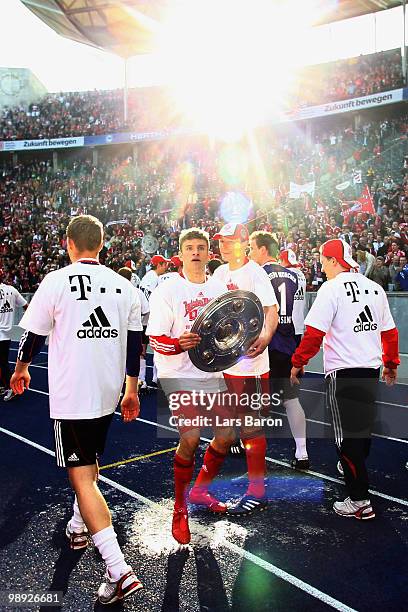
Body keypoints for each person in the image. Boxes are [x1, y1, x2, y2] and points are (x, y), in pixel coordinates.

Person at [10, 215, 144, 604]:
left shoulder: (55, 281)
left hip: (72, 392)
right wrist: (131, 390)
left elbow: (32, 333)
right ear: (101, 244)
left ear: (70, 243)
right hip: (107, 391)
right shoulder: (124, 286)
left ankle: (119, 569)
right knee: (90, 464)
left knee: (81, 477)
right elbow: (136, 344)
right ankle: (78, 524)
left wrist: (20, 369)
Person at [290, 238, 399, 520]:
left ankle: (359, 500)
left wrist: (298, 362)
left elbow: (314, 332)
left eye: (324, 261)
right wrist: (390, 363)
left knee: (345, 436)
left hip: (343, 371)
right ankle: (353, 471)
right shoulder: (374, 288)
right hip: (370, 369)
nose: (322, 266)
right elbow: (389, 332)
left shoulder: (331, 289)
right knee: (361, 428)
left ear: (335, 260)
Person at [146, 228, 235, 545]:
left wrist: (244, 343)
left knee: (225, 436)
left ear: (209, 253)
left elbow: (230, 329)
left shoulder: (220, 287)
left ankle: (200, 491)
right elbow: (155, 339)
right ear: (181, 254)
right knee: (192, 436)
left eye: (201, 247)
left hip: (210, 373)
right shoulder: (167, 290)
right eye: (189, 248)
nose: (195, 252)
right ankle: (180, 508)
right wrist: (178, 345)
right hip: (177, 373)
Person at [211, 223, 278, 516]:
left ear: (242, 243)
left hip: (250, 364)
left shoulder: (255, 273)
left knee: (250, 427)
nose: (223, 246)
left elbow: (271, 311)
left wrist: (264, 338)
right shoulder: (219, 273)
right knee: (228, 427)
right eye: (221, 241)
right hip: (225, 364)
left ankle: (257, 491)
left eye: (228, 241)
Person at [250, 233, 309, 469]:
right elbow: (296, 317)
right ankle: (302, 453)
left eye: (252, 248)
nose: (250, 254)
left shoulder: (258, 273)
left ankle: (250, 452)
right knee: (291, 400)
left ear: (263, 250)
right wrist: (298, 353)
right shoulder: (293, 275)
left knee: (252, 398)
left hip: (263, 343)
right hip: (286, 344)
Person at [117, 267, 150, 392]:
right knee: (139, 354)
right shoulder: (136, 292)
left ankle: (119, 385)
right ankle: (141, 382)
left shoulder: (112, 291)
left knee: (118, 355)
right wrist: (141, 322)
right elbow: (146, 311)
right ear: (131, 278)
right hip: (137, 328)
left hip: (119, 328)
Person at [0, 268, 28, 400]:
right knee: (3, 362)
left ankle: (11, 388)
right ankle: (3, 385)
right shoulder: (12, 290)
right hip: (7, 333)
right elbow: (26, 306)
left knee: (2, 364)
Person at [279, 249, 306, 346]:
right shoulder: (300, 273)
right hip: (299, 321)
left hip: (286, 323)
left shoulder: (285, 274)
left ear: (282, 260)